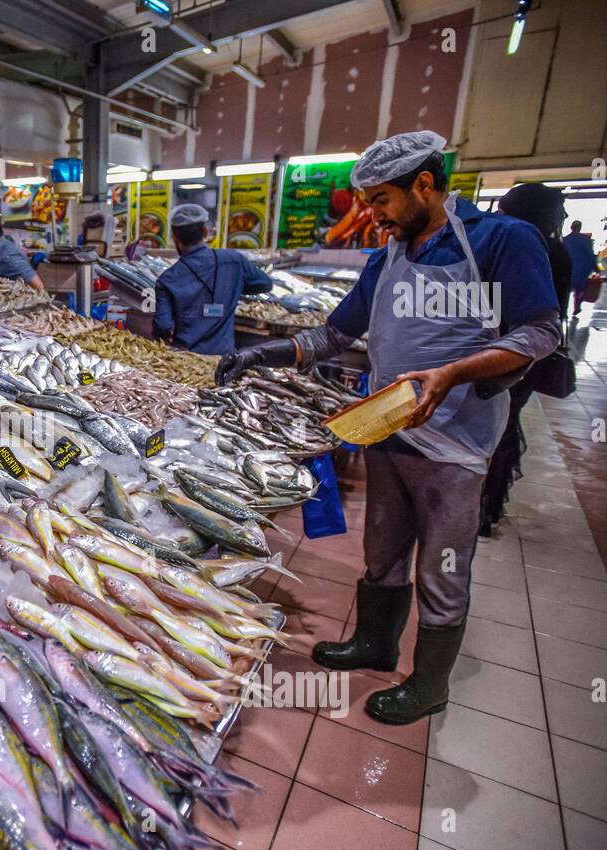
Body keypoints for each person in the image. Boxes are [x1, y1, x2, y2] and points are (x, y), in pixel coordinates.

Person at [216, 130, 559, 726]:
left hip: (456, 440)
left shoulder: (502, 240)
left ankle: (429, 685)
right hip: (385, 425)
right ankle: (375, 642)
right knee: (382, 551)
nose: (372, 215)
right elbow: (334, 335)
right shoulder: (388, 258)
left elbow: (539, 333)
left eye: (380, 201)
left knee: (442, 566)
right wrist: (262, 355)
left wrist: (451, 374)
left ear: (424, 184)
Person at [480, 183, 571, 536]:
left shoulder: (520, 247)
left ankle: (484, 504)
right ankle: (487, 503)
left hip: (512, 354)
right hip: (516, 354)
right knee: (501, 421)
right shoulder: (555, 251)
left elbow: (543, 320)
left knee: (498, 423)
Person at [154, 204, 272, 355]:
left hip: (185, 360)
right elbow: (265, 284)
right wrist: (233, 287)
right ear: (205, 232)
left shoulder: (167, 279)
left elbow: (163, 327)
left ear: (174, 236)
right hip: (225, 357)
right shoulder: (233, 260)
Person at [562, 221, 599, 318]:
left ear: (571, 227)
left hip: (567, 268)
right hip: (582, 268)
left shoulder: (565, 239)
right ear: (580, 228)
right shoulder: (585, 240)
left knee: (566, 290)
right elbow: (590, 255)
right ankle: (577, 306)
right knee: (580, 289)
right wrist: (596, 267)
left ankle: (564, 311)